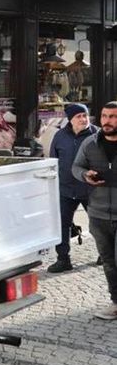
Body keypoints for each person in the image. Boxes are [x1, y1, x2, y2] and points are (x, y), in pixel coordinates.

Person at [73, 101, 117, 320]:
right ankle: (116, 303)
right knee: (109, 262)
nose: (107, 121)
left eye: (112, 117)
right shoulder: (90, 143)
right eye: (104, 116)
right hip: (98, 214)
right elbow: (76, 166)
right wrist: (84, 175)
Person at [48, 103, 98, 273]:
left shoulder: (98, 134)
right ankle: (63, 259)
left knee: (100, 224)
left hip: (92, 189)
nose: (84, 119)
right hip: (66, 190)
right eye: (79, 116)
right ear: (70, 119)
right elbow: (53, 161)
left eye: (85, 115)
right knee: (62, 224)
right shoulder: (59, 136)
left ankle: (105, 255)